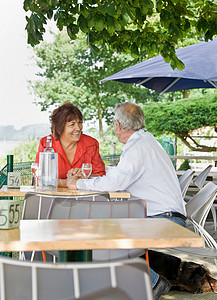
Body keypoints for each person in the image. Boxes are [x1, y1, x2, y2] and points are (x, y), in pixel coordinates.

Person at [67, 102, 187, 300]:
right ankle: (140, 283)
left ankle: (154, 283)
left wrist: (79, 184)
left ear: (118, 125)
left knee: (106, 236)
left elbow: (115, 182)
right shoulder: (145, 141)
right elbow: (121, 180)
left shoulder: (137, 146)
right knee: (105, 229)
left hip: (163, 219)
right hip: (163, 215)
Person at [35, 101, 106, 187]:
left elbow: (101, 175)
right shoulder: (46, 144)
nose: (78, 128)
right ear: (60, 127)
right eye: (72, 124)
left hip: (83, 198)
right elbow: (39, 178)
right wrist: (70, 183)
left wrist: (84, 177)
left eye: (80, 122)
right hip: (53, 197)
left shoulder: (91, 144)